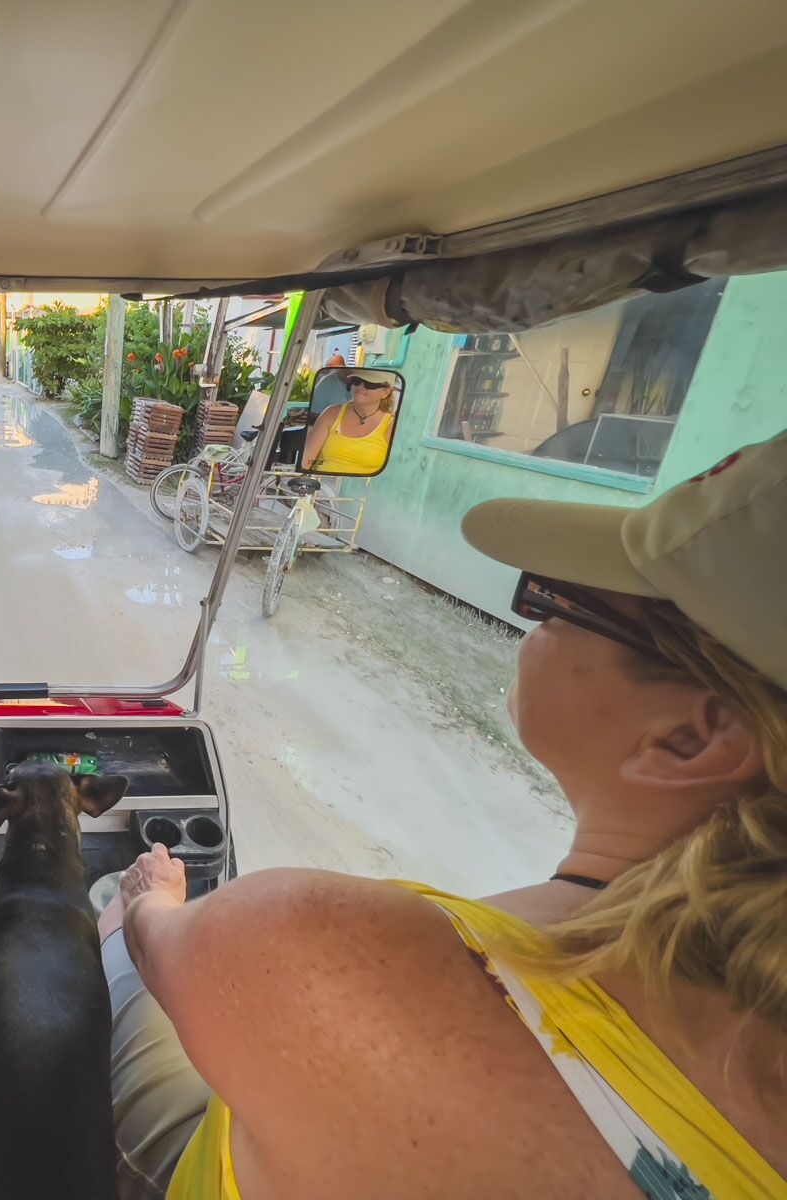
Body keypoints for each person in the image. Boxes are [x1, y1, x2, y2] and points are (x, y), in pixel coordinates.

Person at [100, 430, 787, 1199]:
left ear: (688, 739)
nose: (536, 620)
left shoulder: (337, 950)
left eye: (556, 603)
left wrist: (151, 901)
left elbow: (163, 947)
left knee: (116, 931)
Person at [300, 367, 396, 474]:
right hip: (324, 486)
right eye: (356, 381)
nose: (360, 387)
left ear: (385, 392)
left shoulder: (391, 425)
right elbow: (306, 459)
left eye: (370, 384)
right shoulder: (331, 413)